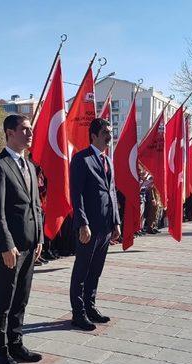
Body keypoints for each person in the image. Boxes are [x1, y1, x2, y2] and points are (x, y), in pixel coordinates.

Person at [0, 114, 43, 364]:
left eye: (30, 129)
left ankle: (16, 343)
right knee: (5, 299)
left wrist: (40, 237)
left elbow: (36, 206)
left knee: (22, 298)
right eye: (25, 129)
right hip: (11, 248)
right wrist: (7, 245)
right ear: (10, 132)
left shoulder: (29, 165)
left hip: (31, 245)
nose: (30, 133)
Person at [69, 118, 121, 331]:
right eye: (105, 132)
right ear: (94, 135)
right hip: (88, 227)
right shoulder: (82, 159)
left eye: (110, 131)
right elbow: (77, 194)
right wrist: (82, 223)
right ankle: (78, 313)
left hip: (106, 226)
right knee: (82, 270)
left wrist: (116, 222)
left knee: (96, 270)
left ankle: (90, 307)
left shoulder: (108, 160)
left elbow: (112, 193)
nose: (109, 136)